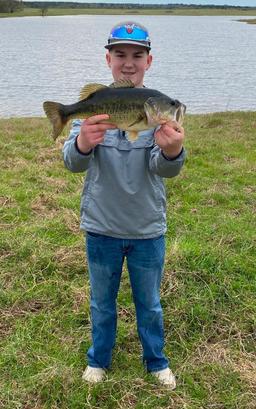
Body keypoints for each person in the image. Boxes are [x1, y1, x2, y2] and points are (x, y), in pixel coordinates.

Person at [63, 21, 186, 388]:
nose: (128, 63)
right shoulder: (95, 105)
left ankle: (156, 362)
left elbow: (163, 168)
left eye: (137, 56)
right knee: (102, 303)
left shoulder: (155, 116)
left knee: (149, 303)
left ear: (149, 61)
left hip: (148, 228)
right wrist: (83, 141)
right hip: (101, 227)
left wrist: (172, 150)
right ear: (108, 59)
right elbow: (72, 161)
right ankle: (98, 359)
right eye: (120, 55)